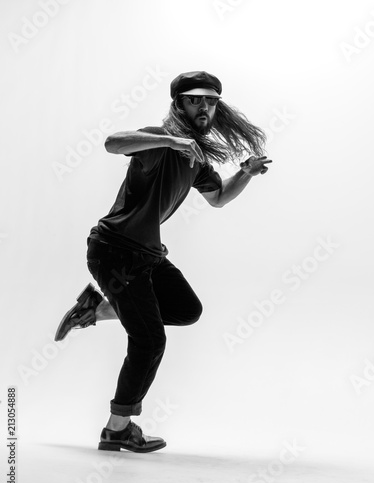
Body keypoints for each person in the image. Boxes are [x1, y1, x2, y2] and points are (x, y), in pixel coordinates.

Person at [55, 70, 271, 453]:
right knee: (150, 339)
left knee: (187, 310)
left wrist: (246, 172)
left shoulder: (197, 158)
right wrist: (170, 138)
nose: (204, 106)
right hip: (115, 251)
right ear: (178, 104)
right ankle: (117, 429)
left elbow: (218, 198)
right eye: (194, 99)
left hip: (148, 255)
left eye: (210, 100)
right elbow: (111, 143)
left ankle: (97, 309)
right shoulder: (159, 142)